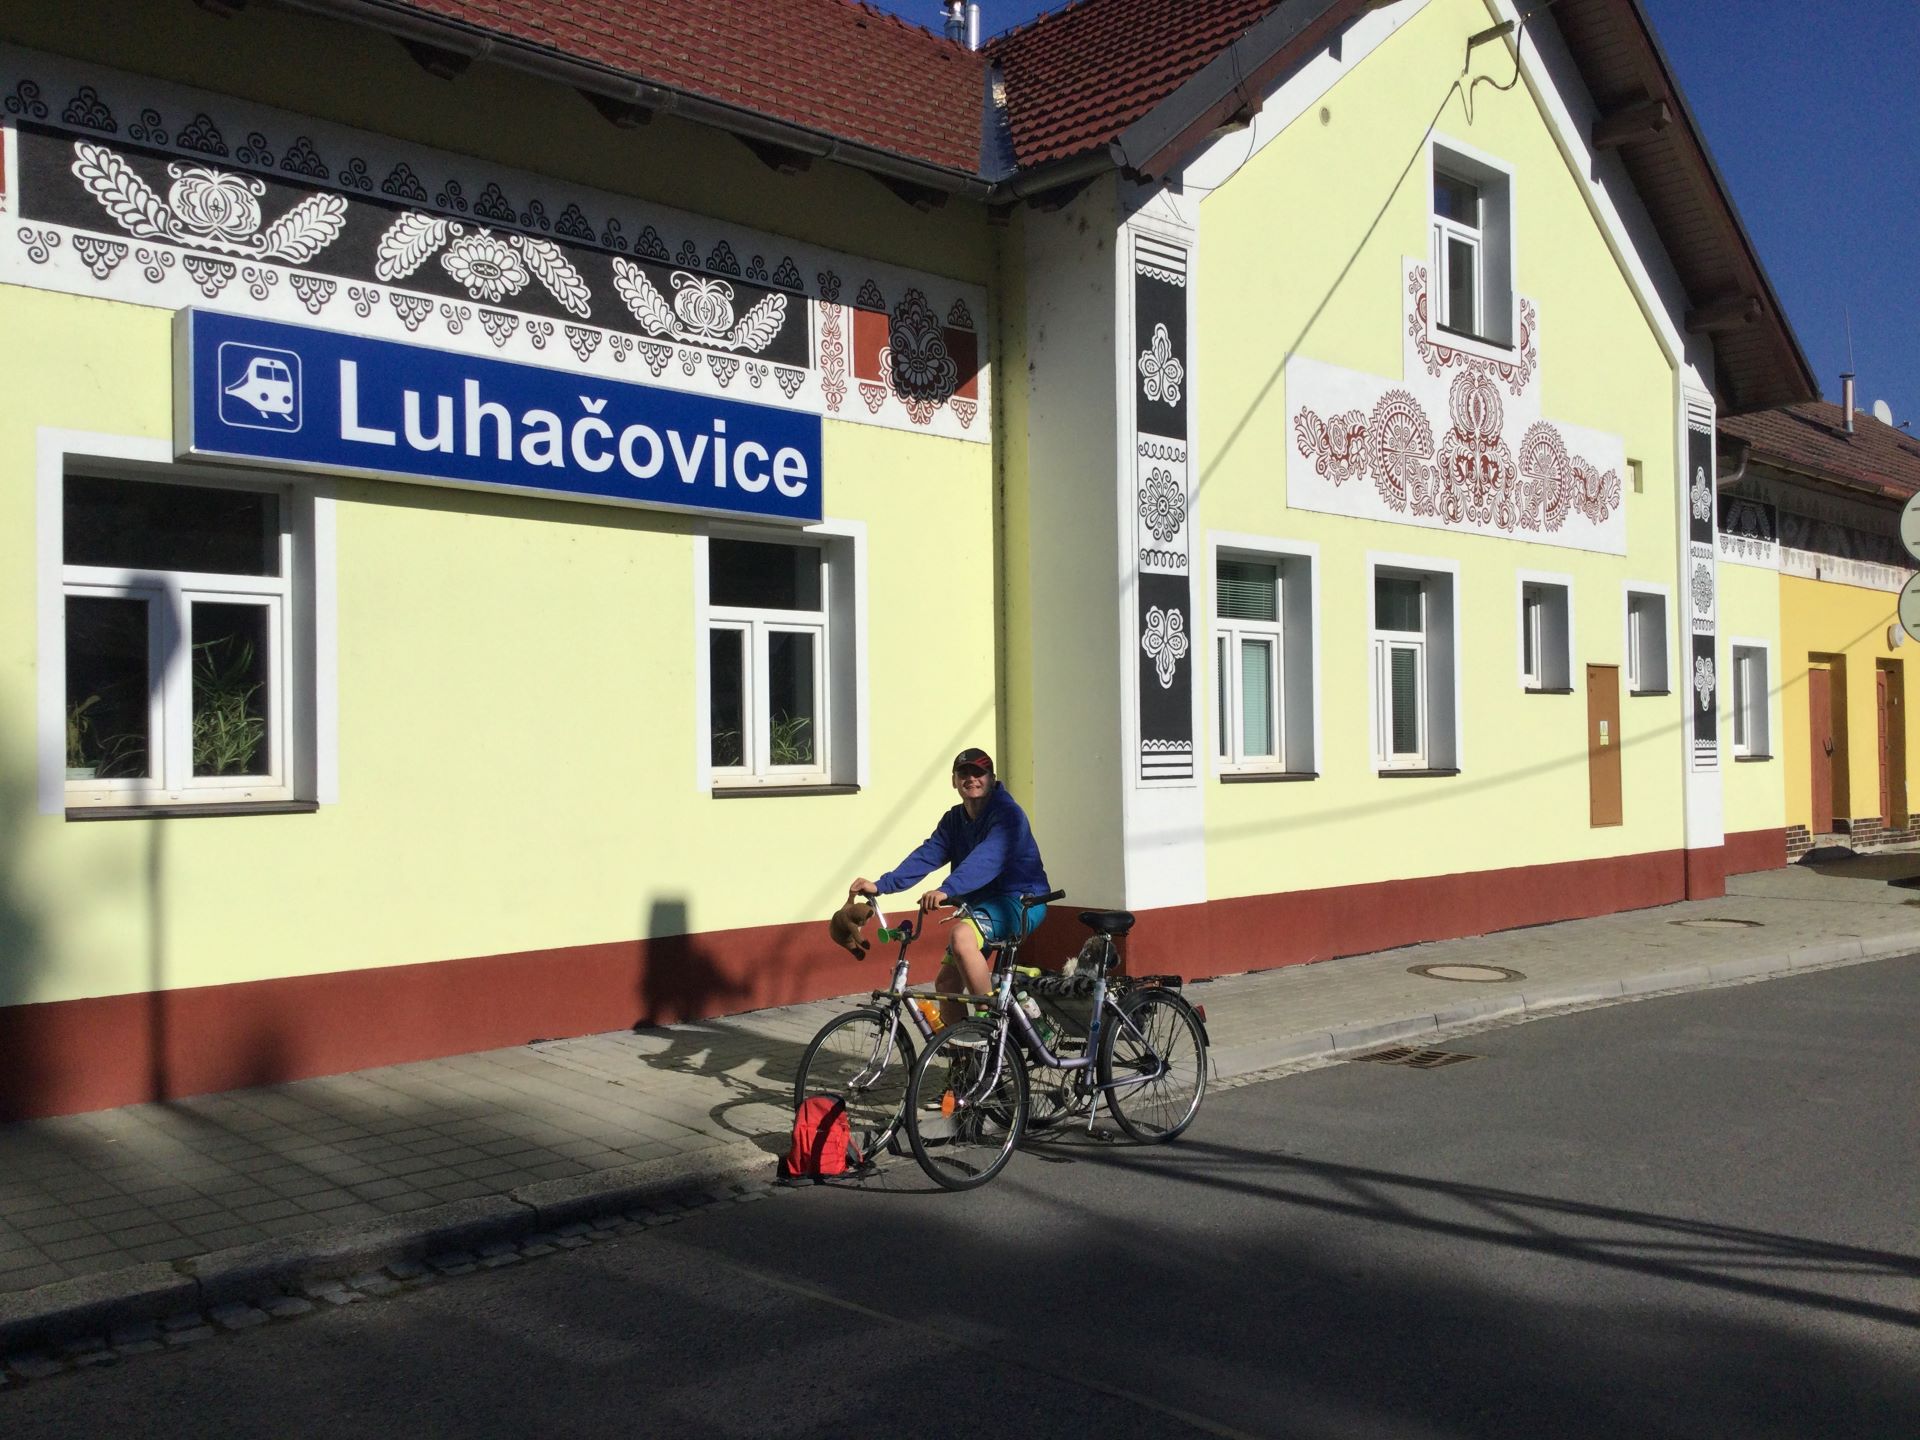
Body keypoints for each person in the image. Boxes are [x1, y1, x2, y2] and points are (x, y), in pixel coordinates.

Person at [852, 748, 1051, 1028]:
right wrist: (881, 885)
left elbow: (988, 858)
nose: (971, 779)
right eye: (964, 773)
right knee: (946, 984)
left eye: (979, 773)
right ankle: (960, 1054)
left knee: (961, 936)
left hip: (1020, 901)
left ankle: (989, 1024)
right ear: (954, 780)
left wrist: (947, 889)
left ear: (992, 778)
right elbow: (928, 854)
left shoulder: (1009, 816)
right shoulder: (955, 819)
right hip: (981, 907)